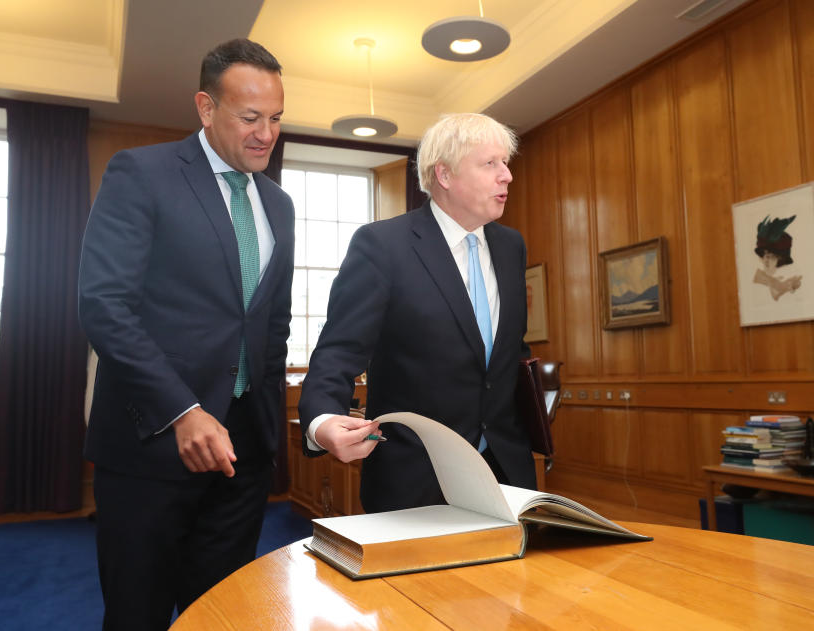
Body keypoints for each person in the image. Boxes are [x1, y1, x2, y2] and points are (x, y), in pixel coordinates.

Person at [78, 38, 294, 630]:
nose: (265, 133)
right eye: (250, 117)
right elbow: (105, 306)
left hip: (243, 455)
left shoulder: (280, 205)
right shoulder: (142, 173)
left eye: (275, 118)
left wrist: (267, 427)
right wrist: (183, 410)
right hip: (153, 444)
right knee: (137, 615)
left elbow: (273, 323)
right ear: (205, 107)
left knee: (222, 616)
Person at [298, 113, 536, 514]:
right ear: (444, 175)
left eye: (506, 162)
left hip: (506, 473)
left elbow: (508, 352)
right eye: (491, 163)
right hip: (413, 478)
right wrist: (321, 421)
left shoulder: (512, 246)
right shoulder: (382, 246)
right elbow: (338, 352)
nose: (507, 176)